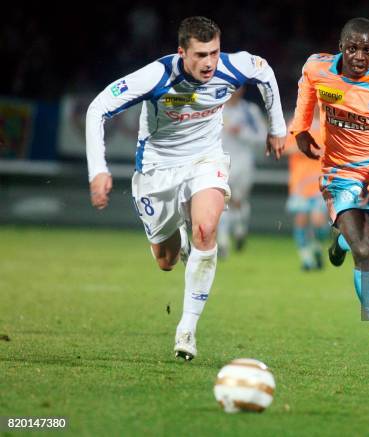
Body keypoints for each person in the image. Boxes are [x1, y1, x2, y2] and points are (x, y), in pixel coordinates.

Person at [86, 16, 286, 361]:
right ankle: (178, 233)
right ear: (182, 52)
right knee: (165, 260)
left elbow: (265, 72)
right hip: (157, 168)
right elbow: (97, 108)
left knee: (206, 230)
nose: (210, 62)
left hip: (205, 159)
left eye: (215, 52)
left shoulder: (234, 66)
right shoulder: (157, 75)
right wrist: (98, 169)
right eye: (200, 55)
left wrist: (277, 127)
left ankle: (187, 328)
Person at [290, 17, 369, 377]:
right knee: (366, 253)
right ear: (341, 45)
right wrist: (300, 127)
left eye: (367, 49)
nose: (360, 56)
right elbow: (306, 85)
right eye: (353, 47)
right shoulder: (319, 68)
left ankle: (340, 241)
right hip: (340, 173)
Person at [216, 87, 267, 258]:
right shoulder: (216, 109)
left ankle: (240, 229)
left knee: (238, 200)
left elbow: (263, 136)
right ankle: (222, 241)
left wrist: (243, 133)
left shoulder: (249, 110)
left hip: (243, 162)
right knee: (221, 201)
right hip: (221, 161)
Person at [285, 115, 328, 271]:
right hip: (300, 183)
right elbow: (285, 148)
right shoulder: (297, 123)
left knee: (318, 221)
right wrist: (305, 148)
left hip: (321, 181)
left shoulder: (328, 123)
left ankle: (317, 246)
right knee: (301, 218)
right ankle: (306, 258)